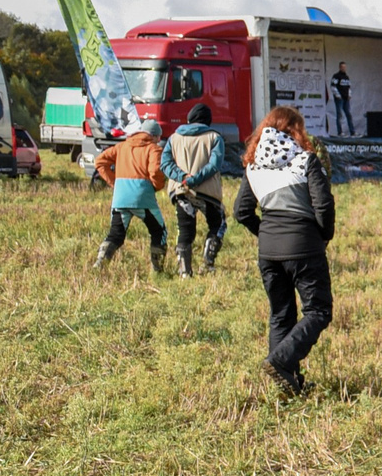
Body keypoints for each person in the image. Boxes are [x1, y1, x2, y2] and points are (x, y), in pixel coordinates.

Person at [234, 106, 336, 398]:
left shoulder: (253, 166)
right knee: (318, 311)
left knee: (281, 315)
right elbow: (324, 206)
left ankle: (287, 384)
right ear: (295, 130)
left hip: (268, 252)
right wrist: (322, 236)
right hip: (304, 246)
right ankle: (281, 362)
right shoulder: (305, 161)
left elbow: (242, 212)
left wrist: (265, 234)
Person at [91, 121, 171, 272]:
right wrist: (156, 186)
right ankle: (158, 269)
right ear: (153, 135)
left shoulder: (122, 146)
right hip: (143, 198)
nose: (159, 139)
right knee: (159, 231)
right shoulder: (154, 149)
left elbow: (100, 162)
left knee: (116, 234)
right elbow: (155, 171)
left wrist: (115, 183)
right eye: (158, 136)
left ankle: (100, 263)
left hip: (120, 198)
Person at [164, 103, 230, 276]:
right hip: (207, 193)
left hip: (182, 191)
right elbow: (214, 165)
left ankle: (184, 272)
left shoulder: (174, 137)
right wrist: (196, 179)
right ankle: (207, 263)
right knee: (218, 224)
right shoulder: (215, 138)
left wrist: (182, 177)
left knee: (185, 230)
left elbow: (165, 163)